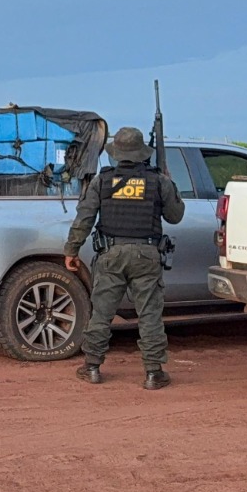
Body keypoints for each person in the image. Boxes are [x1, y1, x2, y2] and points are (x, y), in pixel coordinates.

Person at [64, 125, 184, 388]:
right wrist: (169, 181)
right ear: (142, 153)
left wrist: (71, 250)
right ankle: (153, 373)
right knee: (150, 314)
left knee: (102, 313)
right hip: (146, 254)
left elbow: (83, 219)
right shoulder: (157, 181)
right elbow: (176, 216)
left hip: (111, 254)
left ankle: (92, 367)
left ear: (116, 154)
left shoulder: (102, 180)